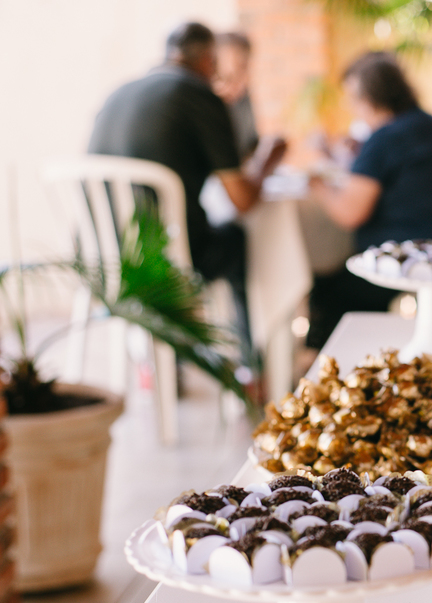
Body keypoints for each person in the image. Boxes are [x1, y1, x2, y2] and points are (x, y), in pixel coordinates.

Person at [88, 21, 287, 365]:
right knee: (237, 239)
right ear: (210, 60)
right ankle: (251, 365)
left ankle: (174, 365)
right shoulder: (198, 94)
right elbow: (242, 200)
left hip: (106, 258)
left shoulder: (119, 92)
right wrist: (267, 162)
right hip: (168, 259)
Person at [307, 51, 432, 348]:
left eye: (353, 99)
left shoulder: (386, 137)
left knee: (328, 290)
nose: (351, 108)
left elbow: (350, 213)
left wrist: (318, 186)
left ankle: (336, 363)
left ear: (369, 99)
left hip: (418, 255)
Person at [213, 31, 259, 161]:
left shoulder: (243, 98)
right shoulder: (204, 102)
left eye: (243, 67)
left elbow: (251, 145)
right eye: (225, 78)